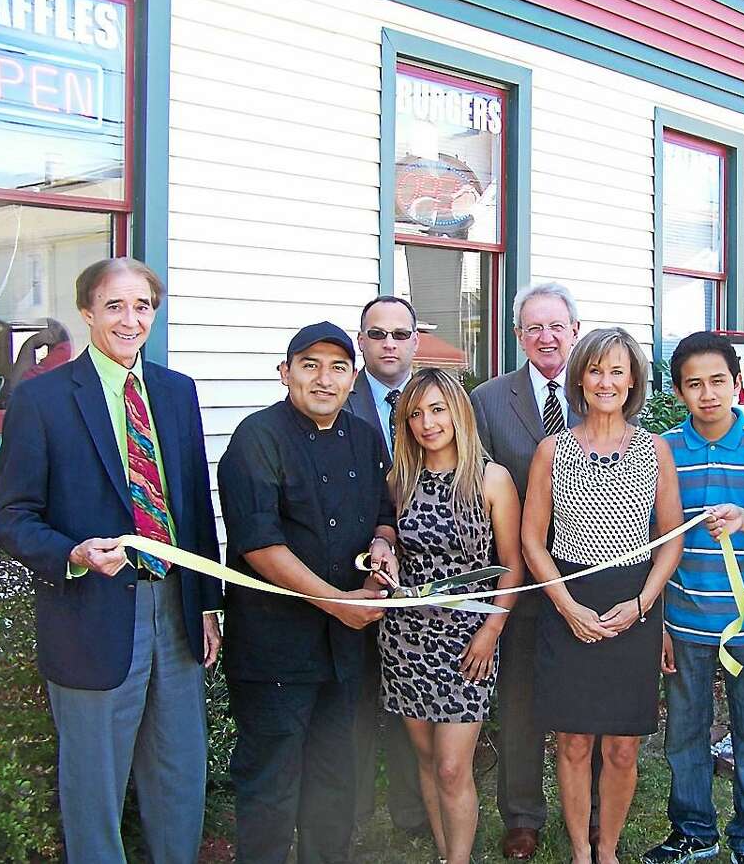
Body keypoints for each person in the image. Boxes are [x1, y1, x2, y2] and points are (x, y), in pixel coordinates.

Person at [0, 257, 222, 864]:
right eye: (114, 305)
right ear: (88, 312)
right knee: (94, 788)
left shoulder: (176, 393)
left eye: (142, 306)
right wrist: (72, 553)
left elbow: (194, 506)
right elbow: (12, 519)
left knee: (179, 774)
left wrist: (205, 606)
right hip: (89, 615)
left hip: (174, 610)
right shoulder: (42, 400)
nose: (130, 319)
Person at [216, 320, 397, 864]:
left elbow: (384, 516)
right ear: (285, 373)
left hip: (345, 653)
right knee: (271, 786)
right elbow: (258, 544)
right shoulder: (257, 438)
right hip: (275, 649)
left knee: (336, 781)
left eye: (338, 367)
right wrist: (338, 602)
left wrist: (383, 547)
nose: (324, 379)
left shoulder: (365, 438)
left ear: (353, 377)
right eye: (310, 366)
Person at [521, 327, 684, 864]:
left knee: (621, 745)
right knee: (572, 741)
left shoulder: (654, 450)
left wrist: (642, 605)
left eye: (617, 370)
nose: (605, 381)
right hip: (568, 600)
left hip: (632, 604)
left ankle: (607, 849)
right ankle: (579, 852)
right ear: (579, 377)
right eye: (595, 370)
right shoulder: (553, 449)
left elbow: (671, 540)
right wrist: (566, 606)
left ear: (633, 378)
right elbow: (531, 539)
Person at [643, 332, 744, 864]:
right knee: (684, 733)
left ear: (737, 381)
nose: (708, 394)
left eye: (718, 381)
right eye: (694, 384)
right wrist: (656, 620)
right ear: (679, 391)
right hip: (681, 620)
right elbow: (650, 542)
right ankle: (693, 830)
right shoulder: (663, 451)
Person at [470, 281, 599, 860]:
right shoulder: (491, 399)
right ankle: (522, 814)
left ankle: (593, 808)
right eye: (533, 327)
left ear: (575, 330)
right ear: (519, 335)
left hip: (593, 573)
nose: (546, 336)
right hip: (517, 576)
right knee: (519, 699)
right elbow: (476, 488)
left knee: (587, 700)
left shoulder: (601, 393)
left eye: (557, 326)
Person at [380, 367, 525, 864]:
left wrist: (492, 630)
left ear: (458, 413)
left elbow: (513, 566)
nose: (427, 422)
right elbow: (390, 536)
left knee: (450, 765)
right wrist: (384, 548)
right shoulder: (400, 478)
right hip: (406, 637)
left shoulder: (491, 478)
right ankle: (446, 855)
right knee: (425, 758)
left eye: (438, 409)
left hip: (467, 641)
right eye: (416, 413)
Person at [345, 294, 428, 837]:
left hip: (426, 571)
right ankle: (348, 816)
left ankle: (414, 812)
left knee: (413, 697)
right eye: (379, 334)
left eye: (400, 334)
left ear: (416, 341)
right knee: (353, 702)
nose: (390, 343)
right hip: (352, 572)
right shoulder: (335, 397)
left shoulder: (437, 400)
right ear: (362, 341)